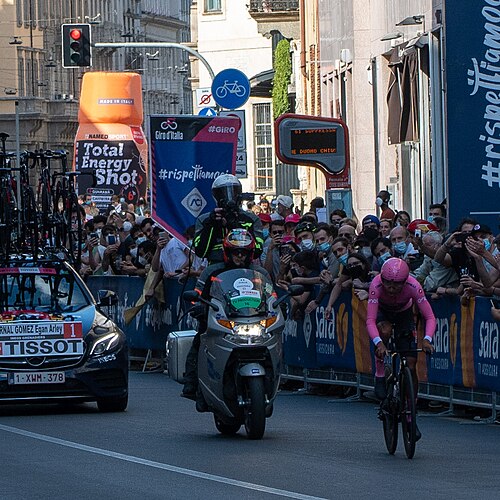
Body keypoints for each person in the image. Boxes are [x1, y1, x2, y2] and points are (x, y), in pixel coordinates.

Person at [181, 229, 270, 401]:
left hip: (253, 320)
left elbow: (270, 295)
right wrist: (200, 307)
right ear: (227, 252)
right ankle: (191, 383)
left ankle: (272, 376)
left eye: (243, 253)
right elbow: (198, 294)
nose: (239, 256)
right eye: (235, 252)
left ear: (250, 254)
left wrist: (277, 307)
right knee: (200, 340)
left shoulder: (261, 274)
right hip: (220, 320)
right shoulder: (212, 272)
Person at [366, 258, 436, 440]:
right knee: (386, 330)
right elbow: (370, 320)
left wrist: (427, 340)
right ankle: (380, 373)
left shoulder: (414, 285)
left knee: (411, 366)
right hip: (383, 313)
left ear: (405, 281)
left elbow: (429, 316)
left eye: (396, 284)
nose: (391, 287)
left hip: (404, 315)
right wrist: (379, 344)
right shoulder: (376, 285)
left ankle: (411, 415)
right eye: (387, 282)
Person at [193, 174, 263, 263]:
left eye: (234, 192)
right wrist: (211, 226)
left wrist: (235, 227)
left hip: (245, 267)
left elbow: (257, 251)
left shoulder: (251, 219)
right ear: (216, 196)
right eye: (222, 193)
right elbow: (201, 252)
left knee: (263, 273)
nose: (230, 198)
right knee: (204, 275)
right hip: (216, 267)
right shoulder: (204, 220)